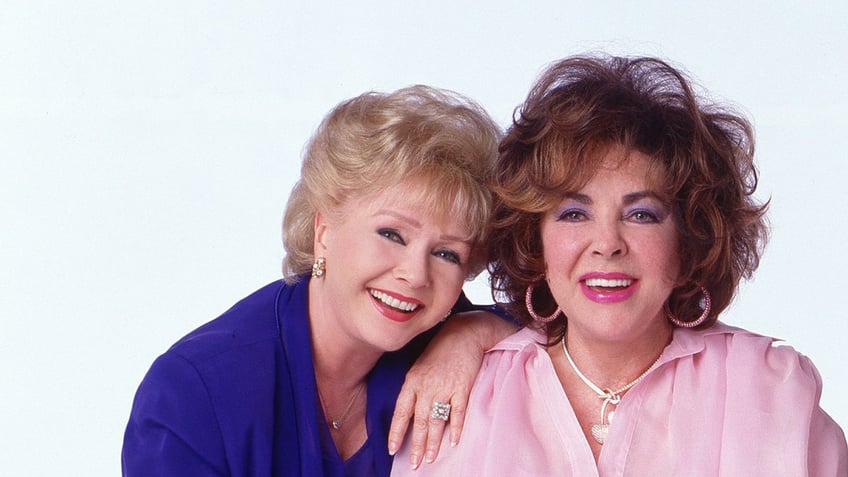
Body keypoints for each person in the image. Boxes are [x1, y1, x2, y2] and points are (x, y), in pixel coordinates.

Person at [392, 55, 848, 475]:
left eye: (641, 214)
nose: (607, 244)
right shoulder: (462, 394)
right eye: (574, 213)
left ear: (689, 240)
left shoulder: (774, 389)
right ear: (535, 240)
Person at [122, 85, 514, 476]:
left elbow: (559, 329)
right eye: (391, 234)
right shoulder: (194, 391)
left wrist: (476, 330)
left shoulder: (441, 339)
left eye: (447, 254)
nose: (415, 275)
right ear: (324, 230)